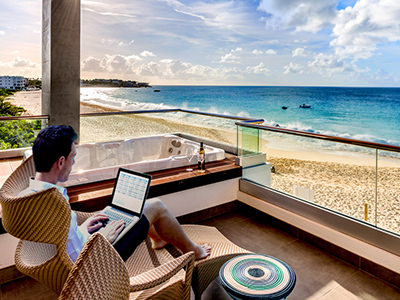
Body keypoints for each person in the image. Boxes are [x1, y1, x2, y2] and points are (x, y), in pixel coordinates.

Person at [20, 125, 211, 262]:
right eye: (73, 157)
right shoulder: (55, 203)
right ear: (61, 162)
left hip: (83, 248)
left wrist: (84, 227)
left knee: (128, 212)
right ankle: (194, 251)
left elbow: (66, 240)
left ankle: (158, 238)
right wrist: (103, 237)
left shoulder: (33, 194)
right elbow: (77, 258)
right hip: (97, 260)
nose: (74, 163)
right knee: (156, 206)